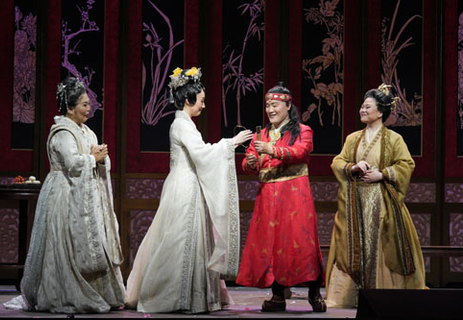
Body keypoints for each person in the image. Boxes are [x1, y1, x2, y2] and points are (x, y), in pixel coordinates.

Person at [125, 67, 252, 314]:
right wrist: (230, 143)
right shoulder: (182, 125)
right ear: (188, 100)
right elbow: (201, 153)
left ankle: (191, 295)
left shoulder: (186, 124)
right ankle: (172, 295)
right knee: (177, 239)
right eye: (201, 101)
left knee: (186, 240)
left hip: (187, 185)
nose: (203, 106)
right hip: (183, 188)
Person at [3, 77, 126, 313]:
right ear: (70, 108)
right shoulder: (62, 132)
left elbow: (93, 158)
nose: (89, 108)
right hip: (64, 193)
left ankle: (104, 293)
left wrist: (101, 158)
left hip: (85, 194)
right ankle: (63, 293)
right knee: (63, 243)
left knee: (94, 242)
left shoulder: (87, 130)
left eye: (89, 103)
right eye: (83, 104)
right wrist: (93, 158)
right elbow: (72, 163)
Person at [325, 84, 426, 308]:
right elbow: (337, 161)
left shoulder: (393, 139)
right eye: (362, 106)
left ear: (380, 112)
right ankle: (349, 297)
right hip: (355, 203)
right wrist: (353, 167)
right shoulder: (353, 138)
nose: (362, 110)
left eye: (367, 106)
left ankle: (384, 296)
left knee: (382, 245)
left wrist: (382, 174)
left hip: (381, 203)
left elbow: (406, 164)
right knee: (352, 245)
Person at [236, 82, 326, 312]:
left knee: (301, 242)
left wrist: (271, 150)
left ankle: (314, 292)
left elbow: (301, 152)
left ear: (287, 105)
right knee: (271, 244)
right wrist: (251, 163)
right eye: (267, 106)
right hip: (267, 196)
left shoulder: (303, 130)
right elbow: (248, 160)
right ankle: (277, 296)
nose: (270, 110)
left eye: (274, 105)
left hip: (294, 195)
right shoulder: (262, 133)